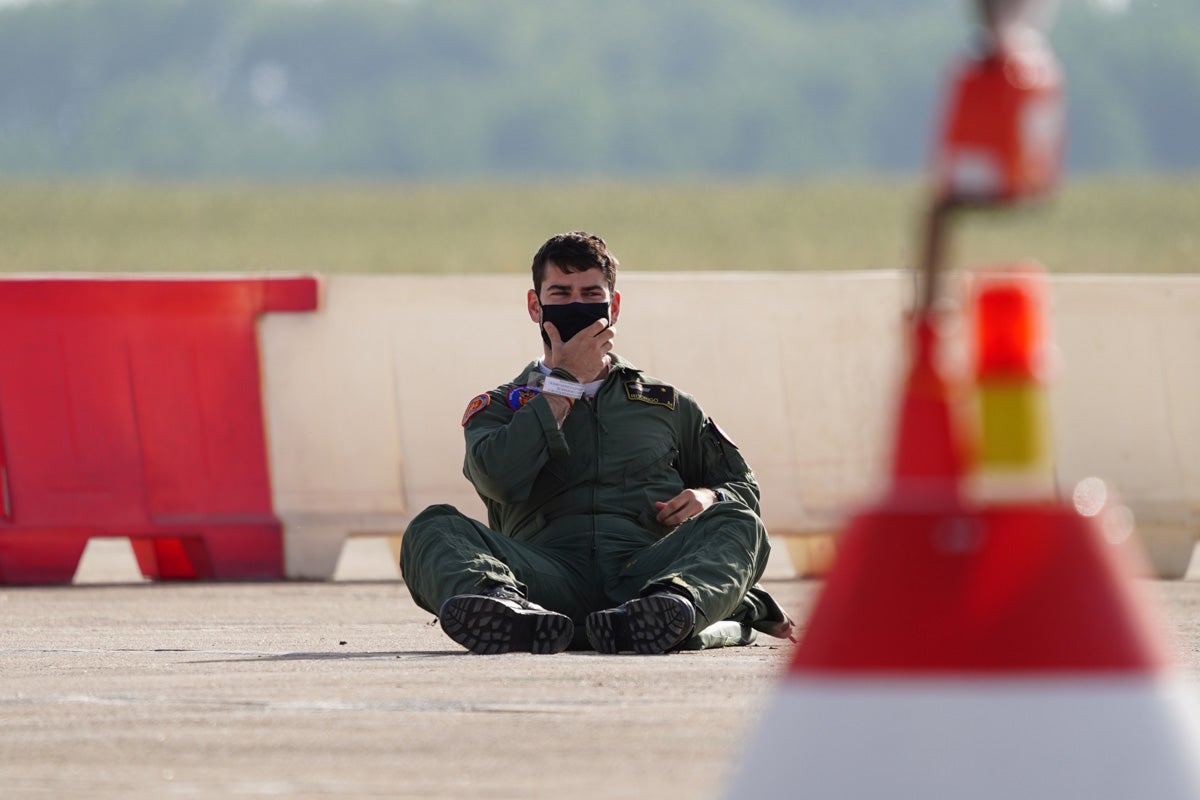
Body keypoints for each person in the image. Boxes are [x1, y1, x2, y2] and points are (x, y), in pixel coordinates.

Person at [399, 231, 794, 655]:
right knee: (433, 527)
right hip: (546, 576)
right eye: (560, 293)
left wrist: (707, 495)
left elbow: (743, 490)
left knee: (738, 522)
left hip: (646, 574)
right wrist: (562, 385)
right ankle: (508, 613)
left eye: (590, 294)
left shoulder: (667, 404)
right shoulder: (500, 406)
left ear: (614, 305)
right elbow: (497, 479)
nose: (576, 306)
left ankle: (670, 609)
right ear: (536, 306)